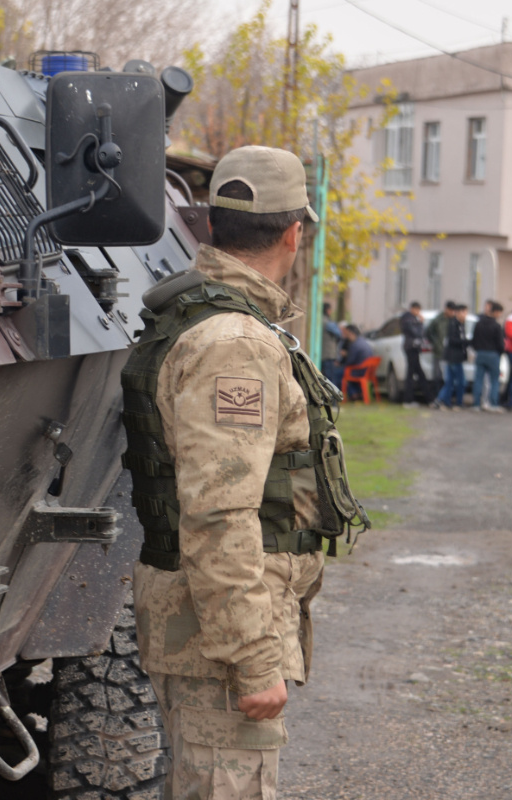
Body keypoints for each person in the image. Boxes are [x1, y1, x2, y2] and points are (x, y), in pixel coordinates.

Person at [121, 145, 368, 800]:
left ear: (209, 225)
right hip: (218, 637)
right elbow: (218, 513)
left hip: (211, 623)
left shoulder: (224, 323)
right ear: (295, 233)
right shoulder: (235, 343)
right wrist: (254, 658)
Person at [470, 300, 505, 412]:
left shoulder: (478, 324)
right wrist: (500, 352)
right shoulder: (496, 326)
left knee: (478, 379)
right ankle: (493, 404)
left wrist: (477, 350)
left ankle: (476, 404)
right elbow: (500, 344)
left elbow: (473, 340)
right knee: (494, 380)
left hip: (480, 353)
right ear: (496, 312)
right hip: (493, 354)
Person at [432, 304, 469, 409]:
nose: (466, 315)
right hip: (453, 357)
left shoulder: (461, 324)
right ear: (458, 312)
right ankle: (457, 403)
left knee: (450, 382)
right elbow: (453, 340)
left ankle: (442, 401)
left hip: (456, 357)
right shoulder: (453, 324)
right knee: (460, 382)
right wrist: (466, 342)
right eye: (464, 312)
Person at [425, 300, 455, 399]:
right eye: (451, 310)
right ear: (446, 309)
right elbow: (428, 332)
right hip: (439, 351)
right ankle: (436, 397)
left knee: (449, 377)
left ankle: (447, 398)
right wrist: (435, 343)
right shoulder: (438, 320)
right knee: (437, 375)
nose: (452, 313)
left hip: (450, 352)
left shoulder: (453, 320)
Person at [400, 301, 427, 408]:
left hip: (413, 348)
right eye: (418, 310)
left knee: (416, 373)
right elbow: (417, 333)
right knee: (411, 374)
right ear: (414, 309)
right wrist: (421, 323)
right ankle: (408, 400)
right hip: (411, 348)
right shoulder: (408, 319)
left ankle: (427, 397)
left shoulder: (410, 319)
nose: (419, 313)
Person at [338, 323, 374, 399]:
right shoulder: (363, 341)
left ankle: (352, 394)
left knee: (337, 373)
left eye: (346, 332)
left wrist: (344, 356)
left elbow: (349, 362)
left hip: (359, 371)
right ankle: (356, 393)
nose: (345, 335)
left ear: (350, 333)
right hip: (367, 370)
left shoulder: (354, 345)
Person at [320, 301, 343, 387]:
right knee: (330, 378)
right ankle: (333, 399)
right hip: (328, 354)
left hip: (321, 354)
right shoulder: (328, 322)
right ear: (327, 310)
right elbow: (339, 334)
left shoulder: (319, 320)